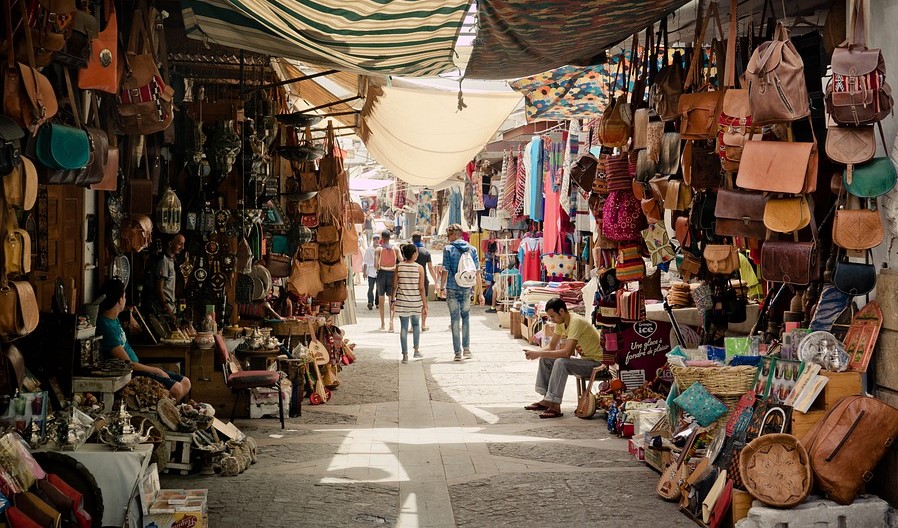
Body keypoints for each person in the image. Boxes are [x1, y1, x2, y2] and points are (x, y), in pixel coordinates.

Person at [96, 279, 192, 401]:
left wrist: (130, 316)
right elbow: (127, 364)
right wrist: (156, 370)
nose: (125, 300)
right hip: (132, 372)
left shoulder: (113, 318)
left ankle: (167, 409)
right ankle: (163, 411)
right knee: (176, 389)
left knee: (186, 382)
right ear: (120, 300)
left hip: (138, 366)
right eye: (124, 296)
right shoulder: (105, 326)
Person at [523, 297, 607, 419]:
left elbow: (566, 353)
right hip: (586, 361)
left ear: (561, 311)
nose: (552, 320)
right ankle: (547, 399)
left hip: (598, 364)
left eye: (552, 316)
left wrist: (539, 353)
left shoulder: (576, 322)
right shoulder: (561, 323)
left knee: (561, 362)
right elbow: (551, 346)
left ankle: (555, 405)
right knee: (546, 359)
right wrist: (536, 352)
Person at [440, 223, 484, 361]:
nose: (448, 238)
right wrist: (480, 293)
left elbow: (445, 270)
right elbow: (477, 273)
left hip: (452, 287)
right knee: (466, 318)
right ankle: (467, 349)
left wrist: (441, 287)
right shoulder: (472, 249)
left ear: (454, 235)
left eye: (448, 235)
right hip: (466, 288)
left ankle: (457, 353)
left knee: (454, 319)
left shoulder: (448, 249)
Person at [391, 244, 427, 363]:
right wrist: (425, 304)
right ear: (413, 254)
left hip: (402, 302)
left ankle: (405, 355)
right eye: (416, 252)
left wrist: (392, 300)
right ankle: (416, 351)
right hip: (416, 301)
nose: (417, 254)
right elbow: (421, 288)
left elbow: (394, 286)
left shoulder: (399, 267)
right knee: (416, 325)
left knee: (404, 327)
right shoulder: (419, 268)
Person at [153, 233, 185, 323]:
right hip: (164, 311)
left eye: (183, 244)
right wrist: (167, 308)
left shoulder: (172, 261)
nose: (182, 248)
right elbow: (158, 288)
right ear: (170, 244)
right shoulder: (164, 261)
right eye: (180, 244)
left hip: (172, 308)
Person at [375, 230, 400, 332]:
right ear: (390, 237)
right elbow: (401, 260)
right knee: (392, 299)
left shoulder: (379, 249)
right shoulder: (396, 248)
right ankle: (391, 322)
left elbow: (376, 265)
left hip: (381, 274)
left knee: (381, 300)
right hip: (392, 274)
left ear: (382, 238)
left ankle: (382, 323)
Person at [411, 231, 436, 331]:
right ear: (421, 239)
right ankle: (423, 324)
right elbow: (430, 268)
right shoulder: (426, 252)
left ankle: (413, 325)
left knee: (412, 302)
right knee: (424, 301)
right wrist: (436, 281)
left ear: (412, 239)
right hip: (423, 279)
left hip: (412, 279)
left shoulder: (410, 251)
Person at [362, 234, 381, 310]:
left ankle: (377, 303)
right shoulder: (369, 249)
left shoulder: (381, 249)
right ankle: (370, 302)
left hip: (379, 271)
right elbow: (365, 261)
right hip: (370, 271)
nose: (376, 240)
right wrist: (364, 272)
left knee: (378, 288)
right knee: (371, 288)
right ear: (373, 240)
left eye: (378, 239)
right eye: (375, 239)